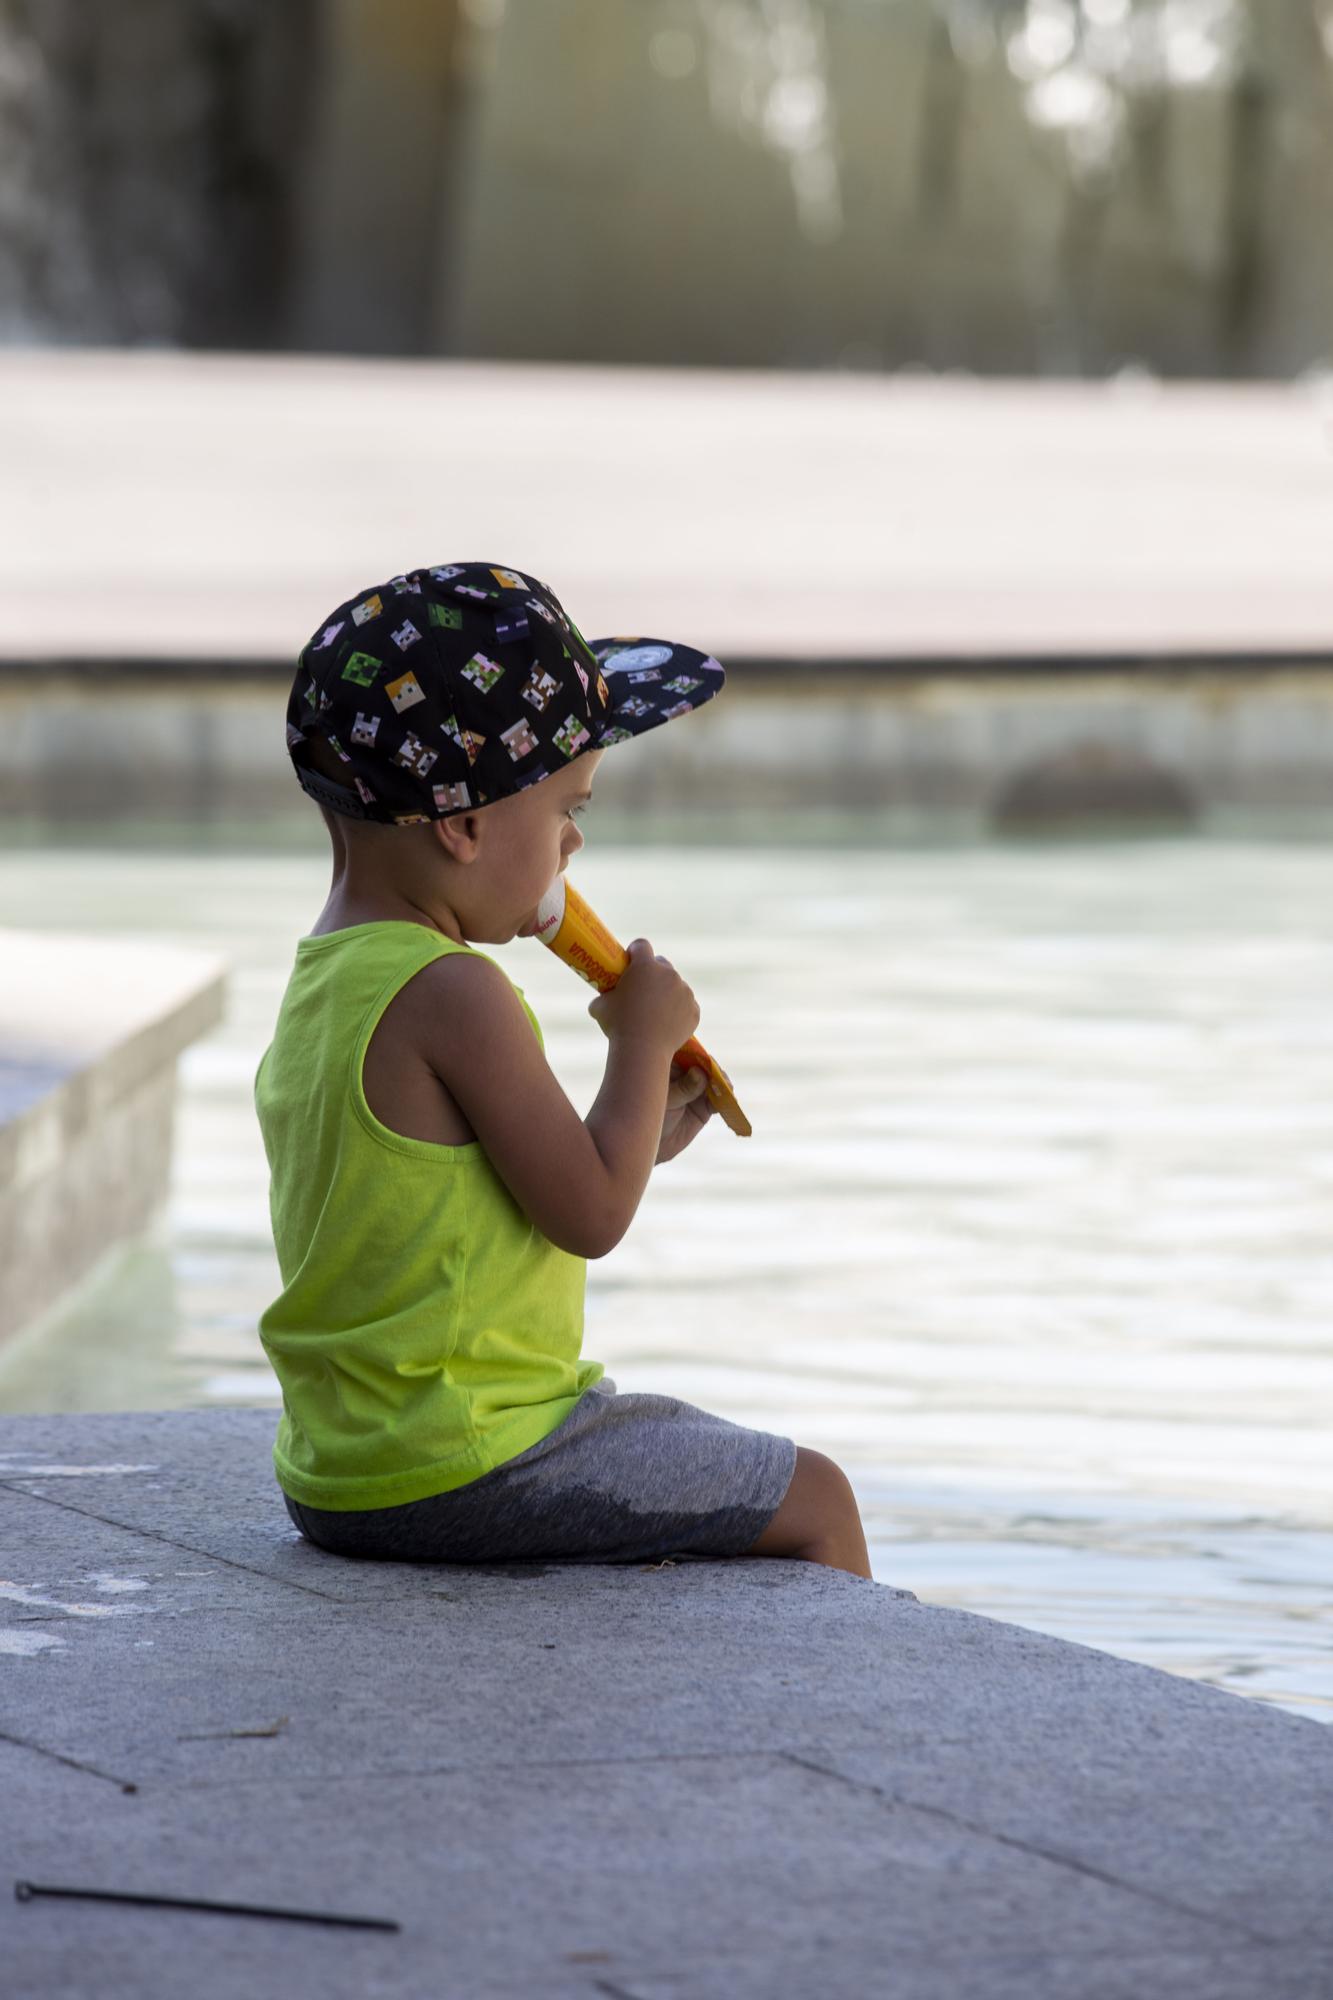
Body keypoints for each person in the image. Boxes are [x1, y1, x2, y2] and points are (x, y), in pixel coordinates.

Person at [253, 560, 871, 1581]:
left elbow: (467, 1199)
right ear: (463, 826)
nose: (574, 843)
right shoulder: (456, 991)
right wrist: (639, 1036)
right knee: (819, 1497)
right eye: (566, 811)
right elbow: (588, 1214)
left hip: (339, 1468)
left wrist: (636, 1132)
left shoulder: (329, 978)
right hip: (468, 1458)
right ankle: (870, 1728)